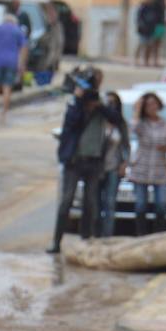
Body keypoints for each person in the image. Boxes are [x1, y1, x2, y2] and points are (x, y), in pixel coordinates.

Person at [51, 77, 124, 253]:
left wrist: (100, 106)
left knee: (91, 203)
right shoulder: (75, 108)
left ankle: (86, 240)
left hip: (94, 162)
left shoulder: (102, 111)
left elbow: (117, 119)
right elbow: (70, 124)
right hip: (75, 161)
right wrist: (79, 102)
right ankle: (56, 242)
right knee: (66, 201)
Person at [130, 92, 166, 234]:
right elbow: (133, 129)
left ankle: (159, 233)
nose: (152, 107)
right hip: (142, 167)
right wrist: (137, 110)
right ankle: (141, 234)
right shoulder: (141, 124)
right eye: (148, 105)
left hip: (159, 168)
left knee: (161, 205)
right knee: (140, 206)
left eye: (154, 104)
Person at [0, 9, 27, 125]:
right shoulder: (18, 31)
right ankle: (3, 114)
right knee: (7, 88)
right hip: (12, 62)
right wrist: (21, 64)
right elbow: (23, 48)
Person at [97, 91, 130, 238]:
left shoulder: (120, 124)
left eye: (113, 103)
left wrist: (124, 164)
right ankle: (94, 234)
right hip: (96, 168)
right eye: (108, 102)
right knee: (95, 203)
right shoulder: (97, 122)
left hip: (113, 168)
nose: (110, 105)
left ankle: (107, 236)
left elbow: (126, 146)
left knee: (110, 203)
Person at [148, 0, 166, 66]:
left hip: (161, 24)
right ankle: (151, 60)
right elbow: (154, 12)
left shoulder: (163, 0)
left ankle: (155, 60)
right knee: (154, 42)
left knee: (158, 43)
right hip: (157, 24)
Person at [135, 0, 158, 66]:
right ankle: (136, 60)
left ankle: (146, 61)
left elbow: (155, 18)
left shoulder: (153, 7)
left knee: (149, 46)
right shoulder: (142, 6)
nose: (151, 0)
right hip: (143, 30)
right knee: (141, 45)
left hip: (151, 29)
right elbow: (138, 18)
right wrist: (141, 26)